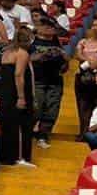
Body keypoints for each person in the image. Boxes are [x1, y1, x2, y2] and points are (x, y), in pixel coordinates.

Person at [0, 25, 36, 168]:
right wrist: (21, 97)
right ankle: (21, 158)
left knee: (7, 126)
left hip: (5, 93)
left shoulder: (6, 52)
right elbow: (18, 75)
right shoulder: (22, 53)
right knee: (22, 125)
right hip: (16, 93)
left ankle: (6, 157)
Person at [28, 14, 67, 149]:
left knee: (51, 111)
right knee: (36, 110)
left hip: (55, 81)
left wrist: (63, 58)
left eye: (50, 26)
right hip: (37, 81)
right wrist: (40, 56)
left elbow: (65, 66)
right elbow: (26, 60)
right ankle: (27, 133)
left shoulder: (58, 43)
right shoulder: (31, 42)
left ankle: (43, 136)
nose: (49, 28)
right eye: (45, 25)